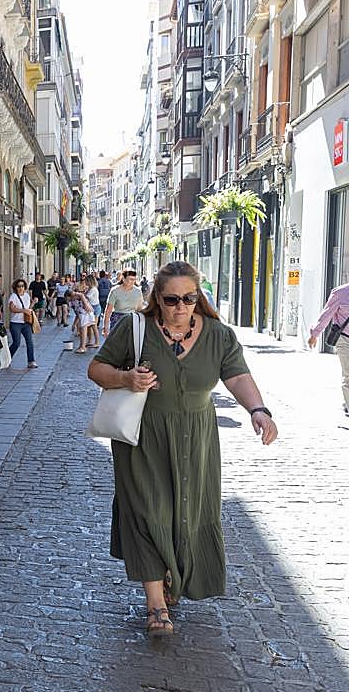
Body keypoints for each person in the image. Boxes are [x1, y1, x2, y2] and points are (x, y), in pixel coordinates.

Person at [88, 261, 278, 637]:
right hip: (142, 438)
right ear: (157, 298)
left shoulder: (218, 335)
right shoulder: (136, 328)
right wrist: (126, 377)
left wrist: (258, 410)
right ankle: (156, 604)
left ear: (198, 297)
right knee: (147, 510)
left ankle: (173, 572)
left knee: (187, 510)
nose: (180, 307)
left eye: (188, 299)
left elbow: (237, 375)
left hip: (197, 437)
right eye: (172, 299)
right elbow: (97, 368)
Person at [308, 280, 349, 417]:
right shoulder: (340, 293)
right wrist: (315, 334)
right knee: (348, 374)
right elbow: (326, 315)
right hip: (344, 339)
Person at [103, 270, 145, 336]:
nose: (133, 281)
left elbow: (139, 309)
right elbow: (108, 311)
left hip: (132, 321)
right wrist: (105, 327)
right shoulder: (115, 290)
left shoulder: (138, 291)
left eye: (134, 279)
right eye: (130, 279)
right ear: (123, 279)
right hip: (117, 321)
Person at [7, 278, 37, 368]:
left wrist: (34, 303)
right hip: (15, 323)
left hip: (26, 323)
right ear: (15, 287)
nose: (20, 288)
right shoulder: (13, 296)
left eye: (22, 286)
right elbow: (12, 309)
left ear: (25, 287)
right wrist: (23, 310)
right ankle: (7, 359)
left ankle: (31, 361)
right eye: (18, 286)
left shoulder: (27, 296)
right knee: (16, 343)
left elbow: (28, 309)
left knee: (30, 342)